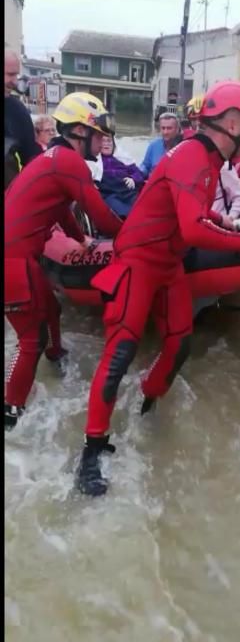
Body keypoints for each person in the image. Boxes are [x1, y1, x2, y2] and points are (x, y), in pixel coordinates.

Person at [76, 80, 240, 496]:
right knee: (120, 351)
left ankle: (147, 406)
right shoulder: (193, 155)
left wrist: (229, 222)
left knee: (179, 343)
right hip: (139, 261)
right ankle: (91, 450)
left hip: (169, 264)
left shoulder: (209, 159)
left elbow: (196, 214)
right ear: (231, 123)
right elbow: (192, 227)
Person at [4, 92, 123, 430]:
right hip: (13, 261)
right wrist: (140, 233)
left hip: (18, 257)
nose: (103, 140)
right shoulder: (68, 162)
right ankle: (10, 411)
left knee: (52, 311)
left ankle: (57, 357)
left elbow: (58, 207)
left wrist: (82, 239)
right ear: (80, 131)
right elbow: (102, 215)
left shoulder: (51, 157)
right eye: (98, 133)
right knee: (30, 341)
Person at [4, 48, 41, 187]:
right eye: (10, 74)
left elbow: (31, 155)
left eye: (16, 75)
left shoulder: (18, 111)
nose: (14, 81)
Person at [93, 134, 145, 219]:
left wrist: (133, 179)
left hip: (128, 192)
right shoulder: (93, 161)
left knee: (141, 209)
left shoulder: (123, 157)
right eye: (103, 141)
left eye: (109, 141)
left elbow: (138, 173)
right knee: (124, 213)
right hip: (110, 193)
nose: (107, 144)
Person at [139, 112, 182, 178]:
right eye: (163, 128)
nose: (165, 132)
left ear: (177, 129)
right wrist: (138, 174)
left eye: (169, 128)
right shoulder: (153, 145)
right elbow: (145, 166)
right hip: (153, 184)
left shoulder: (183, 147)